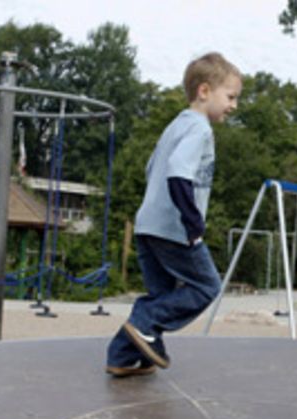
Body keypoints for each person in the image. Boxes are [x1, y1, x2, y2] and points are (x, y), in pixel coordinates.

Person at [106, 53, 242, 377]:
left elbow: (151, 168)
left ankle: (123, 357)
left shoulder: (174, 127)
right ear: (205, 91)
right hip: (174, 230)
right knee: (206, 287)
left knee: (163, 296)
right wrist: (193, 223)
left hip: (147, 226)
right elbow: (178, 174)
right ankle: (144, 323)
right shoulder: (199, 129)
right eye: (231, 96)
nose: (234, 105)